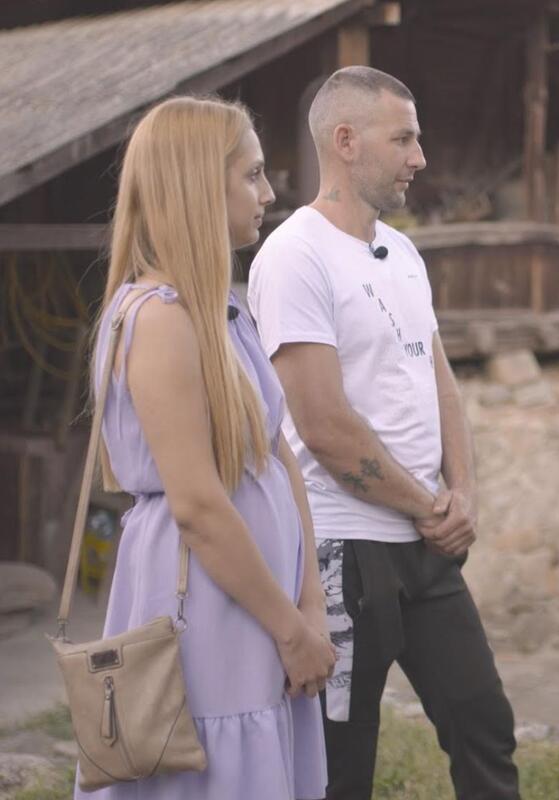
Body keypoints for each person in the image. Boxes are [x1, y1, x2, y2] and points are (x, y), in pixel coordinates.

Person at [248, 66, 520, 800]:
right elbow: (324, 426)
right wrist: (430, 506)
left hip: (426, 547)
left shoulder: (402, 252)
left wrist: (462, 492)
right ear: (346, 141)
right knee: (341, 766)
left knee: (484, 726)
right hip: (343, 550)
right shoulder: (294, 256)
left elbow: (440, 382)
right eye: (403, 139)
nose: (419, 158)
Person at [86, 95, 334, 799]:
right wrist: (289, 628)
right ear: (198, 185)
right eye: (251, 175)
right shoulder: (159, 320)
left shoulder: (222, 309)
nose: (269, 193)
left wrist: (310, 601)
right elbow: (196, 505)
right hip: (208, 606)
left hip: (260, 605)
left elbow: (277, 456)